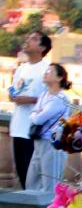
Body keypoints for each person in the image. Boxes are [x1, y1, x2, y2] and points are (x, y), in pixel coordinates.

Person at [9, 31, 52, 188]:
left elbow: (51, 98)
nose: (27, 41)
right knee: (21, 172)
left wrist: (31, 100)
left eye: (33, 39)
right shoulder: (22, 68)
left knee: (32, 175)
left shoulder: (47, 70)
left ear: (42, 48)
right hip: (17, 127)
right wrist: (13, 97)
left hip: (33, 130)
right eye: (28, 38)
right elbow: (14, 91)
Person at [25, 63, 71, 192]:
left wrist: (36, 113)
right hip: (39, 141)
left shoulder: (60, 98)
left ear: (60, 77)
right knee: (32, 181)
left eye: (50, 71)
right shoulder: (44, 95)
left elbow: (39, 118)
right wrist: (36, 113)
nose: (46, 73)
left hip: (52, 144)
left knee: (50, 185)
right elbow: (34, 114)